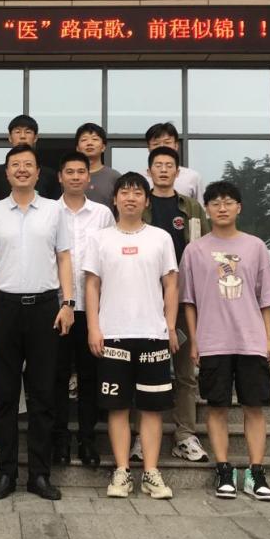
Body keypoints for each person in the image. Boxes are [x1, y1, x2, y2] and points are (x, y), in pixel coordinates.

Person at [180, 181, 270, 502]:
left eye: (228, 202)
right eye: (215, 203)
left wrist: (268, 339)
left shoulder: (255, 246)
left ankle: (256, 472)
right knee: (217, 407)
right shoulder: (194, 250)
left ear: (239, 207)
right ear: (206, 210)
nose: (222, 208)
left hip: (251, 340)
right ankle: (224, 469)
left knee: (254, 406)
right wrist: (194, 341)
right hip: (213, 341)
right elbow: (188, 301)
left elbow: (266, 298)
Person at [0, 144, 75, 501]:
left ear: (37, 173)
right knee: (5, 396)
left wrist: (68, 303)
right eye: (15, 165)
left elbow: (64, 258)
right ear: (6, 173)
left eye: (28, 165)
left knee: (43, 396)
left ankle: (39, 475)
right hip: (3, 307)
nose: (21, 169)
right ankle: (6, 473)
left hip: (44, 308)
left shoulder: (54, 210)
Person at [83, 172, 178, 500]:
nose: (131, 198)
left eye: (138, 193)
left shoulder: (160, 238)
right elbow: (92, 285)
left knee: (152, 408)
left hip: (153, 335)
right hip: (113, 335)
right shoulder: (100, 239)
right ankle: (122, 471)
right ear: (115, 199)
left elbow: (171, 284)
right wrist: (94, 327)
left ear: (146, 200)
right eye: (125, 192)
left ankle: (151, 471)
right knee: (118, 407)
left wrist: (169, 326)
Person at [143, 146, 211, 464]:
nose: (163, 170)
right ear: (149, 171)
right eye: (157, 165)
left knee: (185, 371)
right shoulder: (139, 203)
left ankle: (185, 434)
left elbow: (204, 249)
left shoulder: (191, 207)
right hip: (144, 297)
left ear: (177, 171)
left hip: (183, 298)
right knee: (143, 368)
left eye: (169, 165)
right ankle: (142, 437)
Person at [53, 151, 114, 468]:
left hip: (93, 309)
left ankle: (87, 440)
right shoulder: (49, 212)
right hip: (57, 308)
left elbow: (111, 256)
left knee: (91, 377)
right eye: (70, 172)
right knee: (57, 376)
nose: (75, 177)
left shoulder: (103, 214)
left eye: (81, 172)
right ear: (60, 177)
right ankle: (60, 440)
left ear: (89, 179)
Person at [0, 115, 60, 200]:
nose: (22, 136)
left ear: (35, 138)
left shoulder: (49, 175)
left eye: (28, 132)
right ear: (10, 138)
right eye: (17, 132)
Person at [145, 122, 203, 200]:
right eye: (156, 144)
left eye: (167, 142)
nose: (162, 147)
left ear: (176, 146)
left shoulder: (192, 177)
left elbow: (200, 206)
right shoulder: (140, 179)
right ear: (149, 148)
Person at [75, 123, 120, 207]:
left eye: (95, 139)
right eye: (84, 140)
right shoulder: (69, 176)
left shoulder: (114, 176)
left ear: (103, 147)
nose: (89, 143)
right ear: (77, 148)